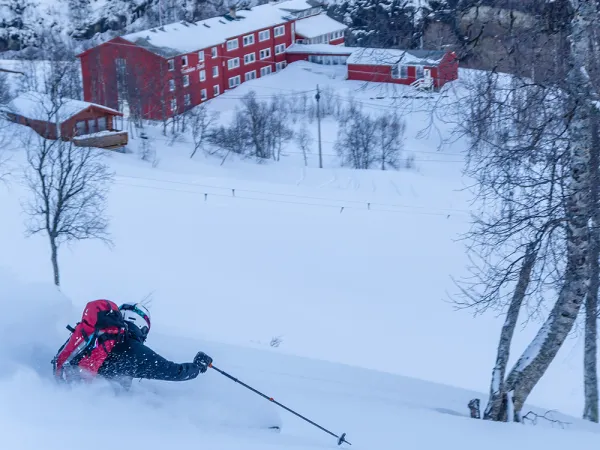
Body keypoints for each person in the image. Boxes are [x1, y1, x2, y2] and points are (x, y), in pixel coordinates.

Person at [96, 303, 213, 389]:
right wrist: (197, 367)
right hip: (103, 408)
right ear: (141, 325)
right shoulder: (133, 349)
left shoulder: (97, 337)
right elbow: (174, 371)